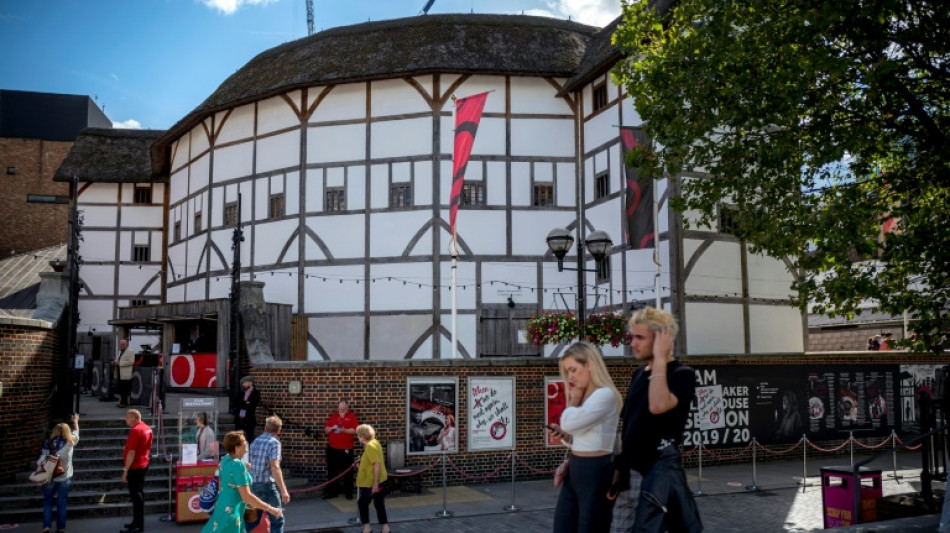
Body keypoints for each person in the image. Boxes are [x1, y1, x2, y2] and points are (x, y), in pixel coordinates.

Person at [613, 307, 702, 533]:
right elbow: (630, 427)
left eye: (640, 337)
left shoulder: (682, 374)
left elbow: (658, 405)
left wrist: (661, 358)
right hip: (628, 476)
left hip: (656, 477)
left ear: (663, 338)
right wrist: (619, 469)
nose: (632, 343)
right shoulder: (639, 374)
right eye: (632, 337)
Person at [547, 342, 622, 533]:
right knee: (562, 527)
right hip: (577, 468)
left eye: (573, 369)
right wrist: (565, 437)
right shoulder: (587, 397)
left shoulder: (605, 395)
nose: (570, 377)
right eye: (568, 372)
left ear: (589, 364)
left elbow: (569, 423)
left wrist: (572, 399)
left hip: (596, 471)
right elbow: (582, 437)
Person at [201, 431, 283, 533]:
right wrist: (271, 509)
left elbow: (230, 478)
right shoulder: (238, 466)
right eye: (244, 441)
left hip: (222, 509)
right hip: (232, 514)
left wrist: (244, 468)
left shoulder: (226, 459)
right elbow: (247, 496)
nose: (246, 443)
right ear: (237, 446)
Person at [248, 415, 290, 533]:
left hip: (253, 484)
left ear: (265, 428)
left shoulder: (255, 441)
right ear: (278, 431)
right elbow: (275, 467)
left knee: (252, 520)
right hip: (267, 485)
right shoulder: (274, 443)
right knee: (277, 518)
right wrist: (284, 491)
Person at [39, 414, 80, 533]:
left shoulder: (48, 443)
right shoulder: (70, 442)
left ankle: (46, 526)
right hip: (64, 478)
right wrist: (75, 421)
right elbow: (76, 432)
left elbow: (41, 460)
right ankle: (61, 528)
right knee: (61, 504)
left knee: (47, 503)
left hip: (49, 478)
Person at [120, 409, 153, 533]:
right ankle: (136, 522)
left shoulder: (135, 431)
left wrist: (125, 471)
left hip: (135, 467)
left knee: (136, 497)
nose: (126, 420)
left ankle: (138, 526)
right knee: (138, 496)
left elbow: (132, 452)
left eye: (127, 417)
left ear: (134, 418)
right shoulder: (147, 428)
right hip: (143, 464)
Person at [355, 424, 390, 533]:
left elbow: (376, 464)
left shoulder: (370, 446)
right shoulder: (376, 442)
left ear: (362, 436)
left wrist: (375, 482)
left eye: (358, 435)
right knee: (379, 503)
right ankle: (385, 528)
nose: (357, 437)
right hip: (381, 480)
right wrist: (360, 466)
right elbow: (373, 463)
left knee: (362, 503)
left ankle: (367, 528)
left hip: (371, 483)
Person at [323, 399, 358, 500]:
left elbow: (355, 430)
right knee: (332, 472)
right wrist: (332, 428)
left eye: (343, 409)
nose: (341, 410)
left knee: (347, 472)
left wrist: (344, 430)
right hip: (332, 449)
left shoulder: (351, 416)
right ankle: (332, 492)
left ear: (347, 408)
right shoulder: (334, 416)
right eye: (340, 408)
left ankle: (348, 493)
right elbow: (326, 429)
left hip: (346, 449)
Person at [236, 376, 261, 443]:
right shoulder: (241, 393)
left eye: (245, 383)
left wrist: (245, 404)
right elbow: (237, 403)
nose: (243, 385)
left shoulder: (255, 393)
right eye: (242, 383)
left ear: (250, 383)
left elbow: (252, 405)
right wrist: (246, 403)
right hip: (240, 418)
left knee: (250, 437)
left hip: (249, 419)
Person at [112, 339, 135, 408]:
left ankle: (124, 403)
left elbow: (131, 362)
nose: (121, 346)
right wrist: (115, 362)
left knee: (125, 389)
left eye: (123, 344)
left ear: (126, 344)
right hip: (119, 372)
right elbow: (118, 359)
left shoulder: (130, 351)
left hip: (126, 373)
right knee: (121, 388)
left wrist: (119, 363)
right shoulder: (120, 352)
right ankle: (122, 401)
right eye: (121, 344)